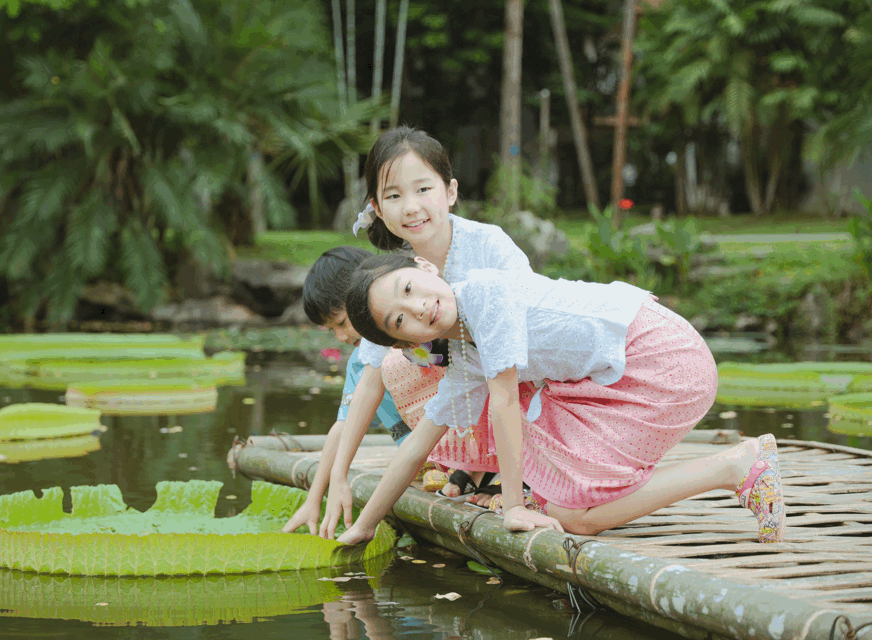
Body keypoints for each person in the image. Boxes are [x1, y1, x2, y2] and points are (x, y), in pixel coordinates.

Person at [336, 253, 786, 545]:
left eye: (408, 288)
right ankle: (731, 468)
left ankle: (733, 467)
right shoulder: (465, 351)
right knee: (571, 511)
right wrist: (364, 525)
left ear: (424, 267)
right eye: (400, 320)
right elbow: (418, 443)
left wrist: (513, 507)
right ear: (404, 343)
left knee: (576, 514)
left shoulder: (484, 294)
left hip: (664, 361)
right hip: (614, 378)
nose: (417, 307)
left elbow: (504, 401)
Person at [321, 125, 533, 538]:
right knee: (397, 363)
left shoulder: (489, 245)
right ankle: (471, 462)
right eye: (394, 196)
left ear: (449, 191)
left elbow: (527, 338)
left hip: (526, 378)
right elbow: (369, 382)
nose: (411, 207)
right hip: (471, 385)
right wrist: (339, 476)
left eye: (422, 189)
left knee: (474, 363)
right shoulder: (399, 273)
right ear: (377, 208)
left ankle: (522, 475)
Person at [280, 246, 413, 535]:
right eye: (332, 330)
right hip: (420, 464)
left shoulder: (414, 338)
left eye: (341, 323)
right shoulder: (360, 361)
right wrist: (314, 499)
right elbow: (343, 426)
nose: (340, 337)